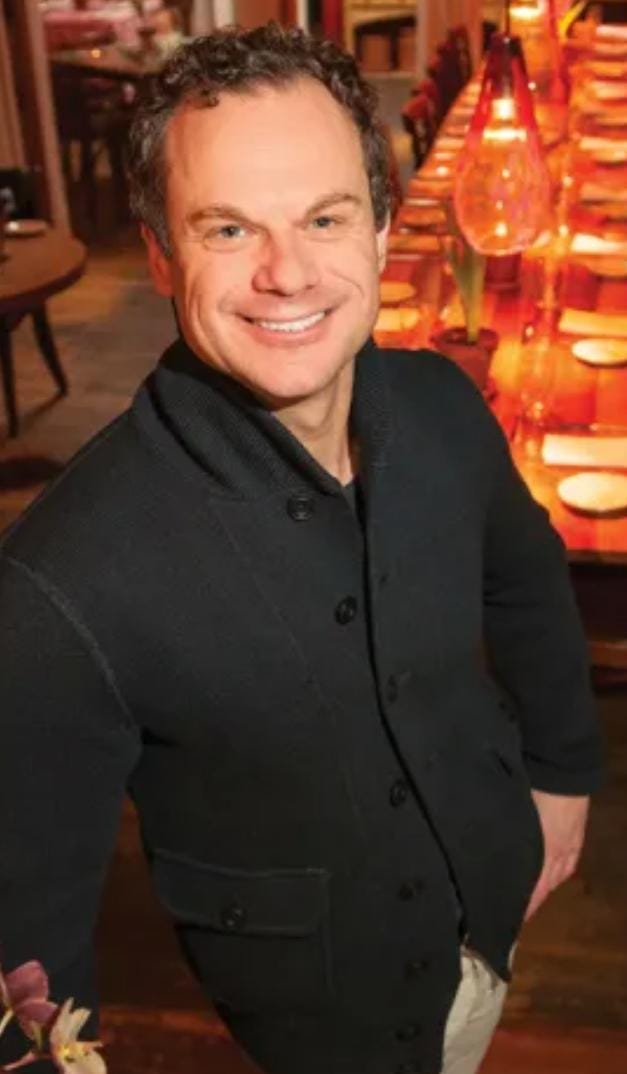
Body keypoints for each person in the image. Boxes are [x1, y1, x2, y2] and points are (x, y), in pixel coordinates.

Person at [0, 22, 602, 1074]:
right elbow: (26, 943)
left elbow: (528, 582)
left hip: (495, 920)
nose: (287, 273)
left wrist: (563, 773)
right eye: (228, 229)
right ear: (160, 254)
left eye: (325, 217)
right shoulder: (58, 584)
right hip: (314, 1020)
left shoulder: (443, 407)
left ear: (380, 230)